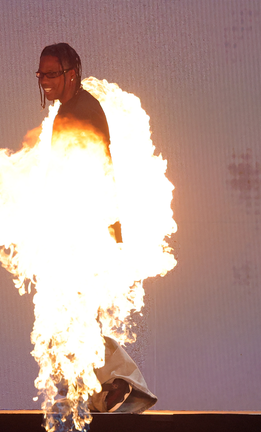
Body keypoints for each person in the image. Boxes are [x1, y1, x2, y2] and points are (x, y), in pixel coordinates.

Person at [36, 43, 157, 414]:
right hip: (83, 231)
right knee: (74, 323)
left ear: (72, 73)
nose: (45, 82)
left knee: (76, 321)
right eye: (41, 75)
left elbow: (96, 174)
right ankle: (101, 397)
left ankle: (127, 384)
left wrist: (101, 234)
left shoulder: (82, 111)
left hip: (85, 234)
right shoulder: (71, 110)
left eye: (52, 74)